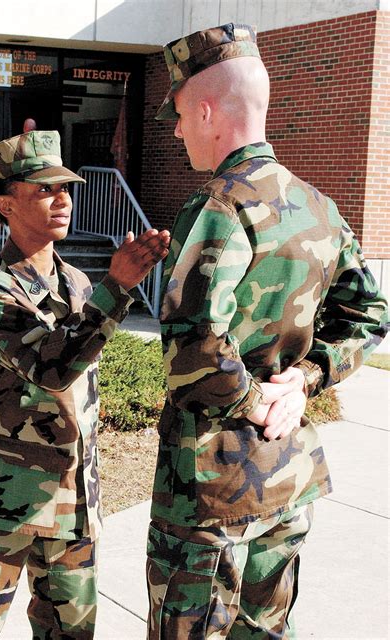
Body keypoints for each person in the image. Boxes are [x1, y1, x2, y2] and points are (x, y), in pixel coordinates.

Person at [146, 23, 389, 639]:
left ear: (205, 110)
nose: (176, 132)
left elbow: (195, 347)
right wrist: (302, 382)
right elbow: (371, 315)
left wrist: (260, 401)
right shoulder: (319, 207)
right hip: (287, 474)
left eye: (177, 115)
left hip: (211, 487)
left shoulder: (219, 207)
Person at [0, 129, 170, 639]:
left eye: (65, 188)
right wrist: (120, 287)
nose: (62, 198)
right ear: (5, 204)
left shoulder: (78, 283)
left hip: (71, 504)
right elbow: (53, 366)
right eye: (44, 189)